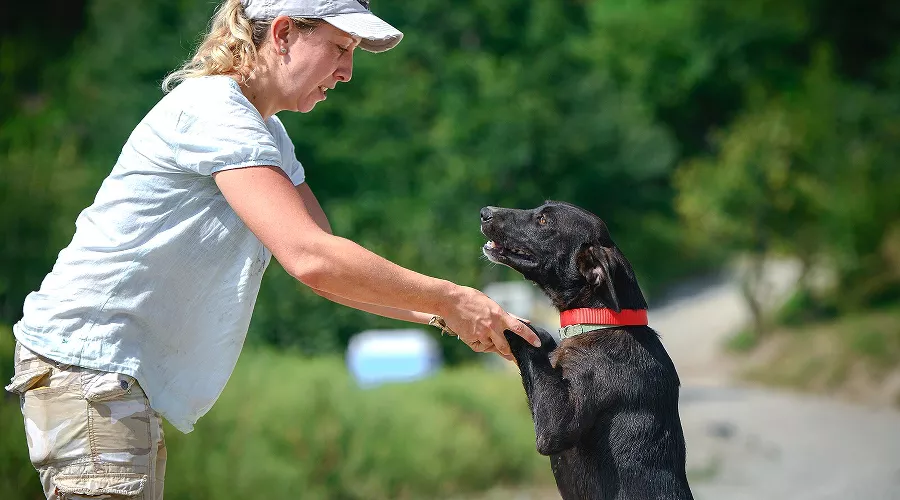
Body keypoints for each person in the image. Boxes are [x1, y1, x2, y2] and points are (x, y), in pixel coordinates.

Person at [4, 1, 541, 498]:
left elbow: (327, 263)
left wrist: (445, 317)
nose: (347, 71)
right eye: (339, 48)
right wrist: (452, 298)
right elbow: (310, 257)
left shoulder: (264, 130)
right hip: (91, 370)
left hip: (106, 378)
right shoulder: (214, 110)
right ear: (283, 33)